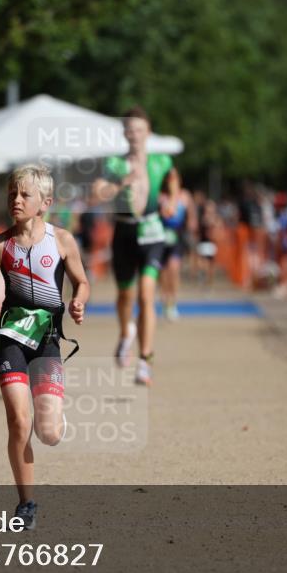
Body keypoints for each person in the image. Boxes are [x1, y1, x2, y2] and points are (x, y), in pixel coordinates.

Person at [0, 164, 89, 530]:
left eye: (24, 195)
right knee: (19, 422)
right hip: (11, 338)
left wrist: (79, 300)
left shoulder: (62, 240)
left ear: (45, 203)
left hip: (48, 339)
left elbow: (81, 281)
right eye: (11, 195)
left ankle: (54, 421)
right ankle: (26, 504)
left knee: (47, 432)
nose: (16, 201)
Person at [91, 106, 179, 385]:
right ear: (124, 133)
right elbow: (96, 193)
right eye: (129, 130)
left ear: (148, 132)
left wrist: (172, 200)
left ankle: (145, 360)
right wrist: (121, 184)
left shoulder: (160, 161)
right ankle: (124, 333)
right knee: (125, 297)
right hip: (124, 234)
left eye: (140, 129)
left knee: (146, 295)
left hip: (153, 233)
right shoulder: (116, 164)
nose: (135, 135)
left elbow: (173, 179)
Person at [160, 186, 189, 321]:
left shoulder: (184, 195)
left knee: (174, 269)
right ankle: (166, 301)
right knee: (164, 272)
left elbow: (191, 214)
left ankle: (173, 302)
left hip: (177, 237)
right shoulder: (160, 196)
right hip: (161, 238)